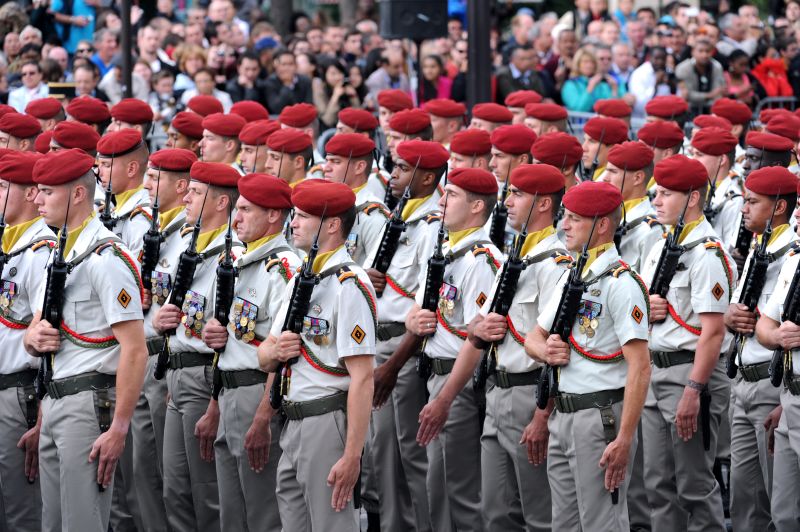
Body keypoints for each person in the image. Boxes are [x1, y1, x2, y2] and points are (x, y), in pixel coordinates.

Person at [24, 148, 147, 532]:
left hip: (88, 402)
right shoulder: (58, 250)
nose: (38, 199)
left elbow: (135, 348)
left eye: (47, 191)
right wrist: (33, 337)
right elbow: (40, 328)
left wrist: (120, 427)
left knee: (82, 522)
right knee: (54, 522)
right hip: (55, 396)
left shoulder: (106, 257)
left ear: (78, 194)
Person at [525, 179, 651, 531]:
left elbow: (640, 367)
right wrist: (546, 350)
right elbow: (533, 337)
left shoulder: (621, 283)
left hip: (600, 417)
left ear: (602, 225)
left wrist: (624, 439)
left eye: (574, 219)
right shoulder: (573, 275)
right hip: (564, 414)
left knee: (602, 523)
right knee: (563, 524)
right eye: (565, 216)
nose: (563, 224)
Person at [258, 178, 376, 532]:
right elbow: (264, 356)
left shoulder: (349, 285)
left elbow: (363, 377)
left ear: (333, 224)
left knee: (332, 525)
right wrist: (276, 350)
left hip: (327, 422)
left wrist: (352, 455)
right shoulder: (302, 279)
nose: (292, 222)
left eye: (303, 216)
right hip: (292, 421)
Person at [640, 155, 737, 532]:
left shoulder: (708, 255)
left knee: (694, 485)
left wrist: (694, 390)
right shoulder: (662, 244)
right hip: (654, 372)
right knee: (657, 484)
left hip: (686, 374)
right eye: (657, 193)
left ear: (693, 198)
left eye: (666, 194)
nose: (657, 201)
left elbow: (713, 332)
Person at [470, 164, 569, 530]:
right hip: (497, 390)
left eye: (517, 195)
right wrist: (480, 328)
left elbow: (558, 350)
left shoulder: (556, 264)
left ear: (543, 204)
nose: (507, 202)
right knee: (495, 512)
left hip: (530, 395)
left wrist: (543, 415)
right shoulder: (515, 256)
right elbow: (479, 327)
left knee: (539, 514)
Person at [202, 173, 300, 532]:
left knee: (262, 513)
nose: (236, 217)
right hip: (228, 392)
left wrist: (263, 417)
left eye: (245, 209)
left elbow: (282, 352)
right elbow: (234, 341)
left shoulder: (285, 270)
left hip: (257, 394)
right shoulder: (239, 260)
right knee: (232, 515)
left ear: (274, 215)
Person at [407, 167, 501, 532]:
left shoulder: (480, 260)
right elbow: (419, 309)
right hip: (435, 374)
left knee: (456, 490)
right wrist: (414, 322)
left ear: (477, 206)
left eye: (453, 196)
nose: (442, 201)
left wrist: (446, 396)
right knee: (438, 486)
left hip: (457, 384)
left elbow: (477, 338)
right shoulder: (447, 250)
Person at [151, 161, 243, 532]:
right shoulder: (182, 242)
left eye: (196, 192)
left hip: (206, 376)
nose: (186, 196)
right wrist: (158, 321)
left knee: (207, 492)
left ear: (221, 203)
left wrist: (216, 401)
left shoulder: (234, 256)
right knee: (175, 489)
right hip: (173, 370)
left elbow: (237, 337)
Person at [365, 140, 448, 532]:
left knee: (413, 454)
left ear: (427, 177)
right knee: (385, 453)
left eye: (402, 168)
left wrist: (395, 364)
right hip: (381, 344)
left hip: (405, 349)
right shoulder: (400, 214)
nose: (393, 173)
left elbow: (424, 306)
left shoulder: (433, 226)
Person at [724, 167, 798, 531]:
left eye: (753, 202)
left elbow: (776, 330)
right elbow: (741, 315)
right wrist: (731, 316)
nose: (743, 209)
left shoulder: (789, 255)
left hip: (771, 384)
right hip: (743, 382)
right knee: (744, 496)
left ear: (779, 206)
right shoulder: (761, 248)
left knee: (777, 500)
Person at [135, 148, 196, 532]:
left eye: (155, 179)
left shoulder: (190, 238)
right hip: (144, 356)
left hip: (166, 359)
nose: (146, 184)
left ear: (182, 186)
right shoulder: (156, 229)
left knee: (173, 476)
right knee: (143, 466)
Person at [0, 151, 55, 532]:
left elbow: (47, 333)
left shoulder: (41, 250)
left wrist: (41, 414)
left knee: (23, 508)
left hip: (20, 390)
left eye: (3, 187)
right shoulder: (9, 240)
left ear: (32, 193)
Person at [754, 179, 800, 532]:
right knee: (783, 514)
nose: (798, 213)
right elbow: (764, 327)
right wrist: (778, 337)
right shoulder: (794, 260)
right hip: (790, 394)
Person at [321, 133, 388, 265]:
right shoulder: (325, 204)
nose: (326, 168)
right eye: (327, 160)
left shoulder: (372, 215)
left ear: (359, 167)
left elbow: (375, 270)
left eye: (335, 162)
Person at [600, 141, 662, 272]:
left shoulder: (650, 230)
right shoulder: (603, 216)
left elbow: (647, 286)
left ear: (638, 178)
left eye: (613, 171)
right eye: (606, 170)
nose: (604, 178)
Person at [95, 129, 152, 260]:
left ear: (131, 169)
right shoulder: (120, 207)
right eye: (100, 164)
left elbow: (135, 277)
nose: (99, 172)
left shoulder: (141, 220)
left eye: (106, 165)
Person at [689, 127, 741, 253]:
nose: (693, 159)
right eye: (693, 154)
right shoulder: (694, 188)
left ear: (722, 160)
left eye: (699, 155)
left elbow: (728, 249)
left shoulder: (733, 201)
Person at [675, 39, 725, 115]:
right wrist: (709, 95)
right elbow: (687, 94)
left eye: (707, 51)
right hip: (689, 107)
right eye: (700, 51)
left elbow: (718, 91)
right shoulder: (683, 68)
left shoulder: (717, 66)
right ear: (693, 52)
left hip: (711, 107)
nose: (704, 55)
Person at [562, 48, 620, 112]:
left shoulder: (601, 84)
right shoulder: (570, 85)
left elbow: (611, 109)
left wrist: (614, 90)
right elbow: (579, 109)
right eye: (585, 62)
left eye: (592, 62)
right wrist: (590, 88)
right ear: (578, 64)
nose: (589, 65)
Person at [312, 60, 361, 130]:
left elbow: (359, 115)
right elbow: (327, 120)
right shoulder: (321, 90)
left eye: (340, 73)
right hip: (329, 131)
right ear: (325, 74)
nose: (337, 77)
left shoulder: (347, 86)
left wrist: (354, 97)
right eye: (333, 74)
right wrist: (335, 97)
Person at [264, 50, 313, 115]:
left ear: (296, 66)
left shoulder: (305, 81)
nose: (287, 68)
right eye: (283, 64)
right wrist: (287, 85)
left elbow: (308, 105)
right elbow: (276, 108)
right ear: (277, 66)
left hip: (301, 118)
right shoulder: (270, 82)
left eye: (290, 64)